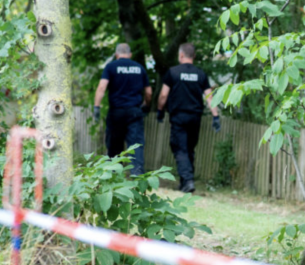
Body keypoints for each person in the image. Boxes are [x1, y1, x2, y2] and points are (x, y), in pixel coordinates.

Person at [157, 42, 220, 193]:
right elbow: (209, 97)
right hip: (195, 118)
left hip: (179, 116)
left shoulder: (173, 73)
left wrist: (160, 110)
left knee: (180, 149)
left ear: (181, 55)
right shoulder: (200, 74)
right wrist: (215, 116)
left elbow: (163, 94)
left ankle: (188, 181)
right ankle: (185, 182)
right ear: (194, 56)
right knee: (189, 149)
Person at [93, 43, 152, 176]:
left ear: (116, 54)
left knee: (114, 144)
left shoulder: (111, 67)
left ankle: (114, 173)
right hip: (134, 112)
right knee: (136, 144)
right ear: (130, 55)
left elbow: (102, 87)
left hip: (116, 112)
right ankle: (136, 173)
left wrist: (96, 107)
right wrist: (146, 105)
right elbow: (148, 92)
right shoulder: (139, 68)